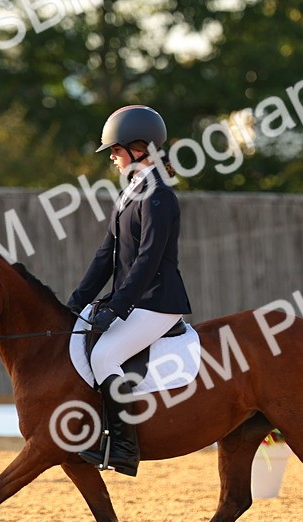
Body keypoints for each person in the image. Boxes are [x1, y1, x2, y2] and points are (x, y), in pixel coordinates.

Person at [66, 105, 192, 477]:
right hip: (136, 301)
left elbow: (148, 261)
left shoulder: (159, 196)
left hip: (158, 303)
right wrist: (75, 303)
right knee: (81, 335)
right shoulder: (130, 194)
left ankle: (123, 447)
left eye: (117, 151)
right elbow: (106, 255)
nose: (114, 159)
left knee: (105, 355)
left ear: (140, 147)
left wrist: (116, 308)